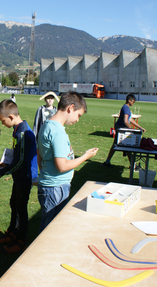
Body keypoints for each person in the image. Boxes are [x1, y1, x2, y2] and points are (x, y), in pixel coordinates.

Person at [37, 91, 98, 231]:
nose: (77, 120)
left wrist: (44, 173)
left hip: (51, 186)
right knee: (50, 231)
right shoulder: (57, 131)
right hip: (55, 189)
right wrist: (85, 157)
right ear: (70, 108)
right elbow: (62, 166)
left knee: (49, 227)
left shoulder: (47, 125)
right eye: (78, 115)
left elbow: (39, 152)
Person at [0, 99, 38, 254]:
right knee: (14, 204)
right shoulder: (18, 129)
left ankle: (21, 241)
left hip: (24, 177)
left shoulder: (24, 133)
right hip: (18, 176)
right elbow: (17, 156)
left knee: (21, 209)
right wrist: (6, 163)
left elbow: (21, 161)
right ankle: (12, 233)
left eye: (2, 121)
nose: (3, 124)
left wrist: (3, 171)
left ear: (11, 117)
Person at [102, 94, 146, 167]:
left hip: (121, 127)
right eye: (133, 101)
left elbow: (130, 119)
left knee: (123, 146)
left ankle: (108, 162)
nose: (133, 103)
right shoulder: (125, 108)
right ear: (129, 100)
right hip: (120, 128)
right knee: (124, 146)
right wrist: (131, 130)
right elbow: (126, 121)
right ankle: (132, 165)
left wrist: (140, 127)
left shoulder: (127, 108)